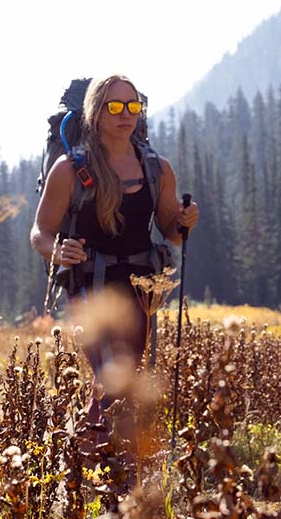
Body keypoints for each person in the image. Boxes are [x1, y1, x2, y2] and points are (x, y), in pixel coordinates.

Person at [31, 74, 198, 405]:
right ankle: (95, 448)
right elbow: (40, 232)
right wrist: (58, 251)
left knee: (124, 377)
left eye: (133, 106)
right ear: (96, 112)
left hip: (139, 286)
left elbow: (172, 235)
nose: (126, 114)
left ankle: (99, 447)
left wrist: (184, 221)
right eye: (116, 106)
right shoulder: (68, 170)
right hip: (89, 284)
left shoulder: (157, 169)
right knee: (110, 375)